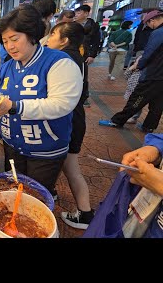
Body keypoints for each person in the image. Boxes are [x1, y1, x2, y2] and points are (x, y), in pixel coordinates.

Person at [0, 4, 82, 199]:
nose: (10, 46)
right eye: (5, 41)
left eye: (15, 39)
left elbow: (62, 104)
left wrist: (14, 106)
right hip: (12, 145)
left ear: (32, 34)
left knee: (34, 200)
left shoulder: (59, 62)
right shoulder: (6, 67)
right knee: (12, 194)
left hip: (44, 149)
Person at [46, 22, 94, 228]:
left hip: (70, 119)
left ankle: (85, 213)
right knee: (61, 162)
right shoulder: (77, 57)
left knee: (71, 167)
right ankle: (52, 191)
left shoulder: (64, 59)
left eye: (53, 34)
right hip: (75, 115)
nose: (48, 39)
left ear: (64, 41)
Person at [99, 10, 163, 133]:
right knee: (158, 103)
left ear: (153, 20)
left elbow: (149, 52)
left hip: (153, 74)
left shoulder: (159, 32)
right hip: (160, 76)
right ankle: (149, 126)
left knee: (137, 98)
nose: (148, 27)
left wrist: (139, 65)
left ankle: (117, 121)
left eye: (147, 24)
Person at [74, 4, 100, 107]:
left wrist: (92, 55)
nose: (76, 15)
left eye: (79, 13)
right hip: (73, 53)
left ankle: (84, 97)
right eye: (76, 12)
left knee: (83, 76)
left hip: (85, 55)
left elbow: (96, 41)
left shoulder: (93, 26)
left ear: (86, 13)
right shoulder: (73, 24)